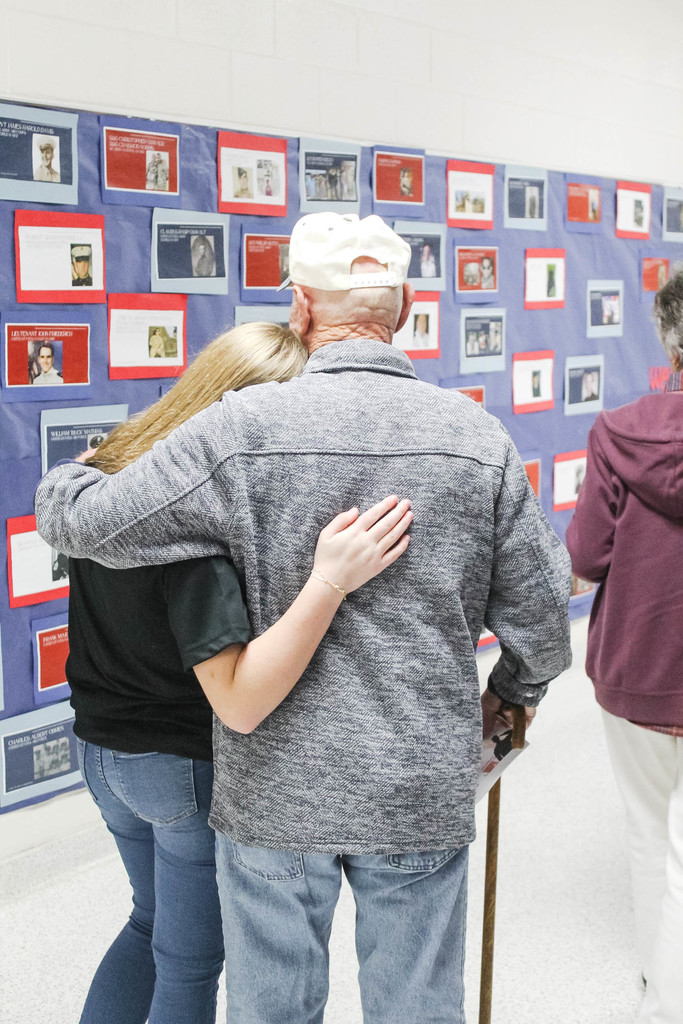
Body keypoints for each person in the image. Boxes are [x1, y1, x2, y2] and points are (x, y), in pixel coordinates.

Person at [35, 212, 572, 1024]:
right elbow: (541, 612)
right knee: (416, 1008)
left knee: (272, 1010)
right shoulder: (475, 437)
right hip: (416, 779)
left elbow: (83, 528)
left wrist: (69, 485)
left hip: (275, 791)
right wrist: (512, 693)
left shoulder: (237, 430)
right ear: (407, 304)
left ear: (299, 306)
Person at [63, 320, 411, 1024]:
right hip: (180, 767)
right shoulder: (194, 528)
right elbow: (241, 702)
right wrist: (329, 583)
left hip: (102, 753)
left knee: (149, 925)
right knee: (190, 966)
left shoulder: (105, 480)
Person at [566, 269, 683, 1024]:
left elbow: (585, 555)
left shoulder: (617, 430)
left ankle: (660, 985)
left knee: (649, 837)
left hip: (637, 665)